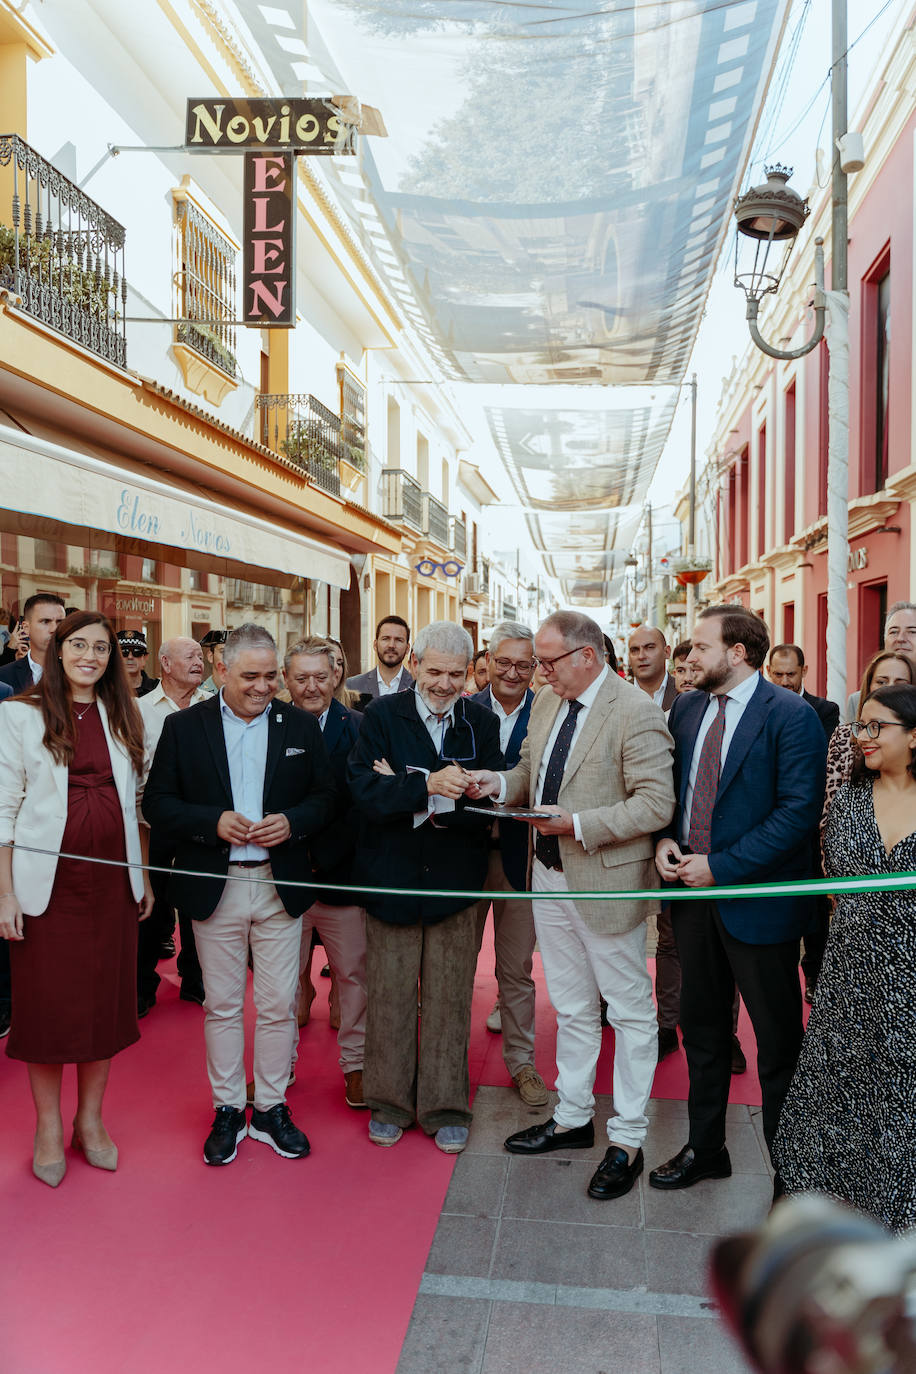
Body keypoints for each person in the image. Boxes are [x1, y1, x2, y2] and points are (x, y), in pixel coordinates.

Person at [469, 610, 675, 1204]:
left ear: (587, 656)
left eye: (547, 661)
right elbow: (531, 771)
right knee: (574, 1007)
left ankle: (628, 1140)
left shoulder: (635, 711)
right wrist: (496, 784)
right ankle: (572, 1116)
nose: (538, 672)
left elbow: (655, 804)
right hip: (546, 877)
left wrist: (578, 824)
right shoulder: (549, 701)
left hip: (606, 884)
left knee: (631, 1014)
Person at [143, 624, 335, 1166]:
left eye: (271, 675)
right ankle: (228, 1107)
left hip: (280, 885)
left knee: (277, 1006)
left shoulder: (300, 724)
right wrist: (213, 822)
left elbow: (326, 797)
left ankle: (271, 1108)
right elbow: (157, 803)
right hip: (214, 885)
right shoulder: (183, 728)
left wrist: (293, 823)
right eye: (250, 676)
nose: (264, 686)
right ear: (221, 670)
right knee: (222, 1006)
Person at [651, 605, 826, 1196]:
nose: (689, 657)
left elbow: (798, 814)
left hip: (760, 907)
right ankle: (706, 1149)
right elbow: (677, 792)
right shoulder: (687, 708)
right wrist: (666, 841)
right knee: (702, 1032)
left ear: (738, 653)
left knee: (777, 1046)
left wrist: (720, 867)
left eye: (699, 647)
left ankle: (792, 1175)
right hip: (691, 902)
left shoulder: (792, 716)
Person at [0, 611, 153, 1187]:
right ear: (57, 649)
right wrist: (4, 893)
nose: (91, 655)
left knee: (103, 1006)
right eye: (79, 645)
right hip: (47, 890)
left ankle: (90, 1122)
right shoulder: (18, 715)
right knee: (47, 1012)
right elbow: (2, 809)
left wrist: (144, 877)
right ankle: (46, 1128)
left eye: (102, 647)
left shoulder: (122, 712)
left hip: (113, 884)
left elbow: (135, 802)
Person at [347, 621, 503, 1154]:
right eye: (433, 671)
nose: (443, 683)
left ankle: (445, 1107)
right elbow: (364, 792)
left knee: (450, 998)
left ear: (469, 675)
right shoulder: (381, 715)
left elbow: (488, 804)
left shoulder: (481, 722)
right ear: (414, 664)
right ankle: (388, 1103)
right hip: (390, 878)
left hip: (458, 882)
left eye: (455, 675)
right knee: (388, 996)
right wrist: (428, 785)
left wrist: (408, 788)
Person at [775, 684, 916, 1234]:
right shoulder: (851, 800)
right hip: (851, 974)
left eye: (877, 726)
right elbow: (836, 882)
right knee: (840, 1090)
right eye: (861, 726)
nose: (862, 736)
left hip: (909, 978)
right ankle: (834, 1209)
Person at [282, 637, 367, 1109]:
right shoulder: (269, 726)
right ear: (286, 681)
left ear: (336, 676)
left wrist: (325, 858)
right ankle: (280, 1067)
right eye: (301, 678)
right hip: (286, 876)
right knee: (281, 981)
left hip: (343, 876)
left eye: (321, 676)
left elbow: (364, 802)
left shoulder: (361, 727)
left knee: (355, 977)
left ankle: (356, 1067)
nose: (312, 686)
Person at [470, 620, 547, 1106]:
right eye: (504, 662)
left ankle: (522, 1063)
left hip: (523, 858)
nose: (513, 672)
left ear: (535, 668)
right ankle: (449, 1061)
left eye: (524, 664)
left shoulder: (550, 713)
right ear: (489, 662)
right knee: (455, 966)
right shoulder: (462, 709)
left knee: (516, 969)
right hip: (466, 857)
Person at [136, 637, 209, 1014]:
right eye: (190, 656)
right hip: (153, 823)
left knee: (201, 905)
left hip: (202, 823)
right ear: (165, 663)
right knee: (152, 907)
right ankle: (142, 985)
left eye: (201, 656)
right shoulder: (139, 710)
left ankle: (195, 980)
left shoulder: (214, 707)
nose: (200, 661)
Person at [823, 651, 915, 824]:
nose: (889, 687)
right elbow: (828, 814)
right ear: (869, 686)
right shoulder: (848, 799)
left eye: (900, 682)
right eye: (882, 681)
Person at [845, 602, 916, 721]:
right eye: (893, 632)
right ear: (884, 639)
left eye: (912, 632)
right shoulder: (856, 701)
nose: (900, 639)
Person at [767, 643, 840, 742]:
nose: (784, 682)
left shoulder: (825, 710)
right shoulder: (758, 709)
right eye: (778, 674)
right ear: (768, 671)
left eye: (791, 674)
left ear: (804, 671)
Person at [0, 594, 66, 692]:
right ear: (26, 628)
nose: (54, 629)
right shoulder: (4, 675)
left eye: (60, 622)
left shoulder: (76, 673)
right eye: (45, 621)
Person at [346, 615, 413, 707]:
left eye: (398, 640)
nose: (391, 645)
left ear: (407, 648)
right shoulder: (352, 686)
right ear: (375, 645)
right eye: (385, 639)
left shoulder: (417, 686)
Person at [628, 624, 677, 710]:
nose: (641, 656)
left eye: (650, 648)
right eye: (635, 650)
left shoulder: (684, 692)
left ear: (667, 652)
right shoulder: (616, 695)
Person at [117, 630, 158, 698]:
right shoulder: (106, 690)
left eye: (137, 652)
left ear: (144, 658)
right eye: (124, 652)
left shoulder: (157, 689)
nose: (130, 657)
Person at [199, 629, 227, 695]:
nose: (229, 657)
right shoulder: (199, 695)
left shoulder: (244, 693)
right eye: (223, 652)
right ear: (211, 656)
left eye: (235, 652)